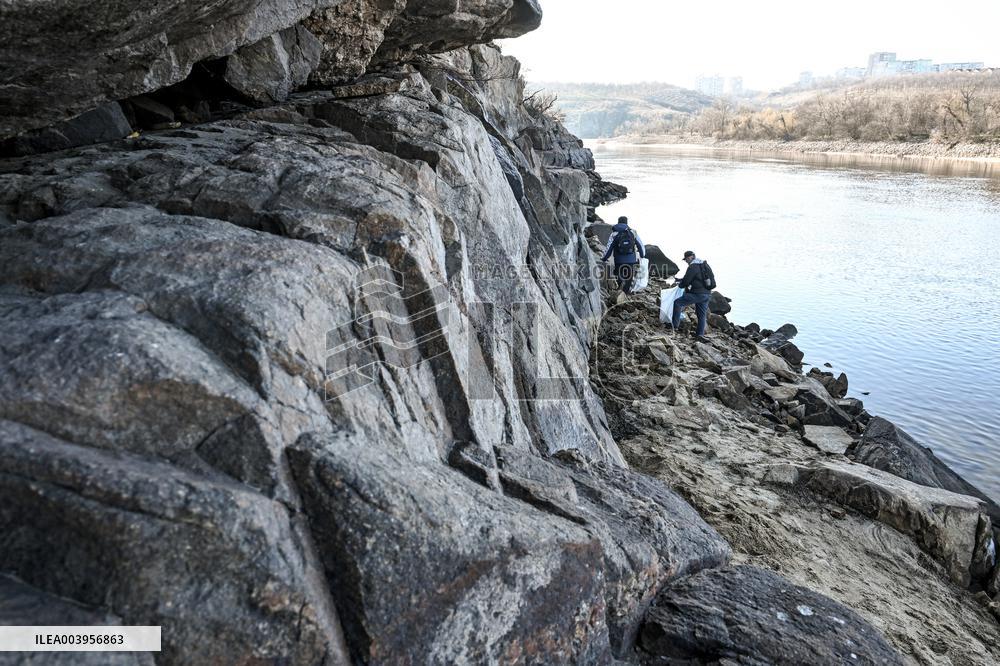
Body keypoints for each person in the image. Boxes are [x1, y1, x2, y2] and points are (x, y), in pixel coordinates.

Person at [671, 250, 715, 337]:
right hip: (707, 294)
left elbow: (686, 281)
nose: (686, 261)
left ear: (691, 257)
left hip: (697, 294)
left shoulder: (693, 266)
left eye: (686, 259)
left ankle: (674, 326)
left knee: (678, 303)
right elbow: (696, 278)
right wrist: (681, 280)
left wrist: (680, 285)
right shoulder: (704, 265)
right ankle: (700, 335)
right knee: (701, 315)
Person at [601, 216, 646, 295]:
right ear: (626, 223)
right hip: (631, 261)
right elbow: (640, 245)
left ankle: (618, 293)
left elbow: (609, 248)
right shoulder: (633, 232)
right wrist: (642, 255)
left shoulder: (614, 234)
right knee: (629, 278)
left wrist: (604, 258)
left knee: (619, 277)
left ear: (618, 222)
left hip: (619, 261)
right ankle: (625, 294)